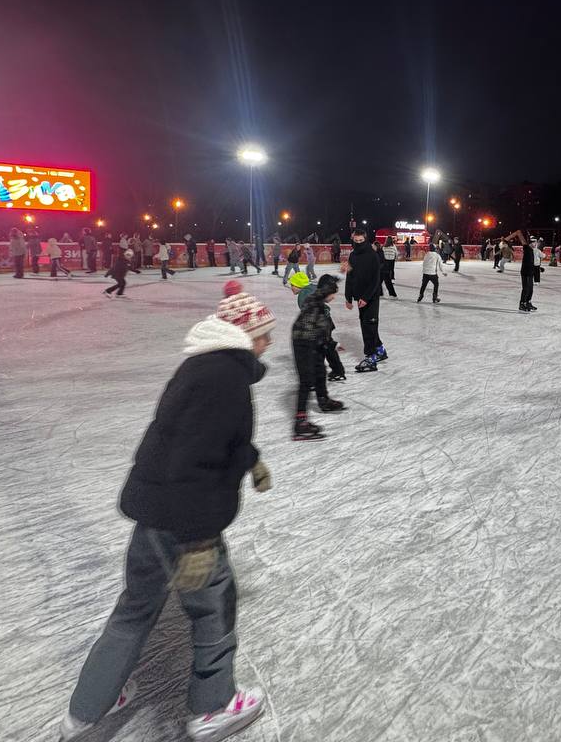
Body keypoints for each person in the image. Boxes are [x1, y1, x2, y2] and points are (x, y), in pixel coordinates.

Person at [57, 283, 273, 741]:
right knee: (214, 608)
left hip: (152, 512)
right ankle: (213, 707)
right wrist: (197, 540)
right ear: (246, 334)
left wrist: (250, 458)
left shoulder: (200, 367)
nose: (269, 342)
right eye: (264, 333)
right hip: (185, 521)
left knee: (134, 609)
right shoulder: (226, 380)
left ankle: (88, 706)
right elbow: (191, 459)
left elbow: (193, 438)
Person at [290, 277, 345, 440]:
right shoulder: (313, 302)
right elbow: (320, 332)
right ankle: (300, 422)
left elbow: (322, 333)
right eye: (332, 293)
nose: (334, 297)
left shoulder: (319, 303)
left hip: (313, 341)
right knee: (306, 381)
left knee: (320, 370)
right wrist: (332, 344)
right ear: (326, 292)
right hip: (303, 343)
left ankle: (323, 400)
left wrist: (331, 344)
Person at [345, 228, 386, 370]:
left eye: (361, 241)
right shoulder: (352, 256)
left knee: (368, 326)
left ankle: (371, 358)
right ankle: (380, 350)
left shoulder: (372, 255)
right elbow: (349, 277)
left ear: (365, 239)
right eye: (355, 241)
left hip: (371, 297)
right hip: (359, 297)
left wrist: (366, 298)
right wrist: (348, 297)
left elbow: (376, 280)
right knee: (367, 324)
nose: (358, 243)